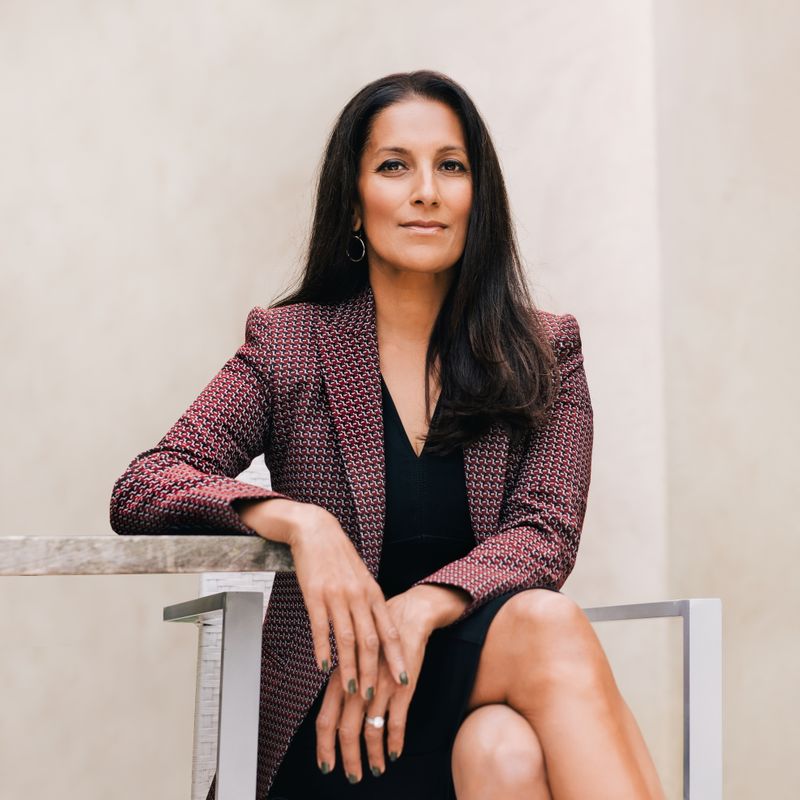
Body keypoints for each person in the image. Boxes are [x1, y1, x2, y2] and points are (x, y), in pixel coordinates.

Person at [110, 70, 666, 799]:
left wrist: (422, 606)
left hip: (462, 706)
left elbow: (546, 534)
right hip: (333, 721)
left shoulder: (543, 350)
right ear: (353, 202)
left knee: (503, 749)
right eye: (395, 166)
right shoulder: (291, 344)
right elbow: (145, 485)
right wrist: (299, 521)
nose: (426, 191)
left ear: (479, 200)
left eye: (452, 166)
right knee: (545, 626)